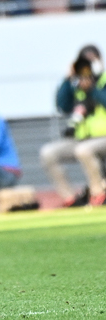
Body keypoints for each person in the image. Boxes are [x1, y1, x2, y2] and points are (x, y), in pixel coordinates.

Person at [40, 48, 106, 207]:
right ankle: (70, 198)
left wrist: (93, 88)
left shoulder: (103, 81)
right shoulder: (76, 85)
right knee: (48, 153)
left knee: (84, 150)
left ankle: (98, 193)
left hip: (102, 137)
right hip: (82, 138)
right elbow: (62, 105)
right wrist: (67, 78)